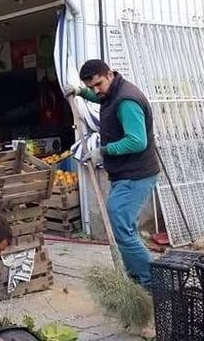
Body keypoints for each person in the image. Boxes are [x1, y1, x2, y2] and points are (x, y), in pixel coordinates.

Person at [64, 59, 160, 288]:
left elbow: (137, 141)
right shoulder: (111, 91)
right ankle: (136, 277)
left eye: (98, 84)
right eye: (91, 86)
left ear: (109, 74)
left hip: (136, 175)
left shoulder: (127, 100)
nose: (96, 90)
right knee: (125, 228)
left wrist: (103, 151)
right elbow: (100, 96)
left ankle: (152, 283)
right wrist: (80, 92)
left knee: (121, 226)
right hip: (125, 174)